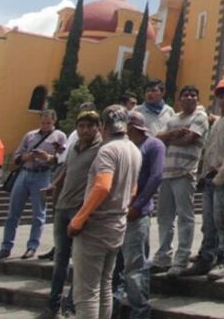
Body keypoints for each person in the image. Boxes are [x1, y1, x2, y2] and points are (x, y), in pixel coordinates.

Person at [67, 105, 142, 319]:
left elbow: (102, 186)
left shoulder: (108, 150)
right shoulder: (134, 150)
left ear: (102, 126)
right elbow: (133, 189)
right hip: (117, 226)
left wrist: (79, 219)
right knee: (105, 286)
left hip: (96, 226)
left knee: (86, 292)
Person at [42, 110, 102, 319]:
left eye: (89, 126)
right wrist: (54, 185)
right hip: (62, 206)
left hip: (80, 208)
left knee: (80, 260)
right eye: (81, 126)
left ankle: (71, 304)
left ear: (98, 127)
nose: (84, 130)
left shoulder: (101, 149)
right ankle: (53, 305)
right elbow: (66, 168)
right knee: (60, 258)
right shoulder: (75, 147)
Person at [184, 79, 224, 281]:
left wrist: (221, 177)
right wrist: (203, 176)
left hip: (223, 179)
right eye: (221, 96)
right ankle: (205, 257)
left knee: (223, 221)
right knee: (208, 222)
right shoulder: (218, 121)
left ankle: (223, 260)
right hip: (210, 177)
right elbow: (209, 151)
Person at [0, 110, 67, 260]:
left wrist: (48, 157)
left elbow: (63, 158)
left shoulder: (59, 136)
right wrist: (26, 156)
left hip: (43, 174)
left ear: (54, 121)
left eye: (49, 123)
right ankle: (6, 247)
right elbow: (16, 156)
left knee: (38, 214)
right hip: (25, 172)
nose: (45, 125)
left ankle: (32, 247)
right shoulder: (30, 135)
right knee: (13, 213)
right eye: (43, 122)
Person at [153, 86, 209, 276]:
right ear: (179, 99)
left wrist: (169, 138)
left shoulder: (200, 117)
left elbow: (189, 139)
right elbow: (157, 138)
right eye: (185, 95)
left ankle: (181, 258)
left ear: (198, 99)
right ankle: (162, 257)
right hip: (166, 173)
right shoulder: (173, 119)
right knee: (164, 218)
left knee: (185, 217)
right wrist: (172, 135)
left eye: (193, 95)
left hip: (185, 173)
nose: (189, 98)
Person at [120, 110, 165, 319]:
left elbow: (156, 176)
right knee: (120, 267)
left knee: (135, 266)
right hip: (117, 213)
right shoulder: (124, 146)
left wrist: (137, 206)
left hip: (137, 214)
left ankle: (140, 311)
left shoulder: (153, 145)